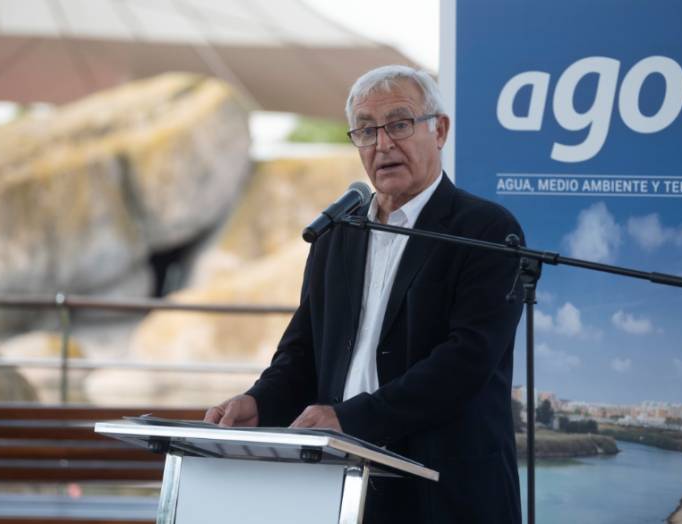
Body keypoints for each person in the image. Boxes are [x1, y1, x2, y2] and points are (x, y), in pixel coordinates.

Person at [205, 65, 524, 524]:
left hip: (445, 488)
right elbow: (303, 351)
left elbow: (466, 361)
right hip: (343, 485)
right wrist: (259, 401)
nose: (383, 144)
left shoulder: (487, 229)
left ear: (440, 130)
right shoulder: (339, 231)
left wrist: (352, 419)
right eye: (366, 131)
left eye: (398, 124)